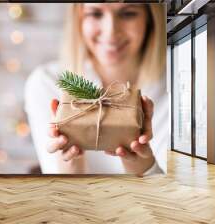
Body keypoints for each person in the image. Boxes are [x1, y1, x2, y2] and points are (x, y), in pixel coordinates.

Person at [24, 3, 168, 175]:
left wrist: (144, 167)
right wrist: (69, 165)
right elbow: (62, 198)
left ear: (150, 18)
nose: (111, 32)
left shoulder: (180, 79)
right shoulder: (48, 82)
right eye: (95, 13)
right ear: (78, 18)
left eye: (128, 13)